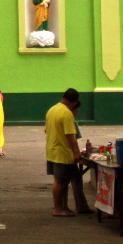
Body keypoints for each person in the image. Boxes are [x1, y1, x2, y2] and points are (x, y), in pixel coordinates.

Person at [44, 88, 80, 217]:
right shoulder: (67, 113)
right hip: (62, 152)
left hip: (51, 150)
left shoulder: (52, 110)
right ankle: (58, 208)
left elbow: (46, 130)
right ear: (74, 102)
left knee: (60, 180)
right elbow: (70, 135)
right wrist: (76, 152)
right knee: (60, 182)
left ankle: (63, 207)